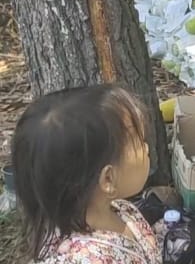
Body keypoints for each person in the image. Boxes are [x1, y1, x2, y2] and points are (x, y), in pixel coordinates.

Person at [13, 84, 158, 263]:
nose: (146, 148)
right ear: (108, 179)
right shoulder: (82, 259)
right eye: (139, 143)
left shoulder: (120, 209)